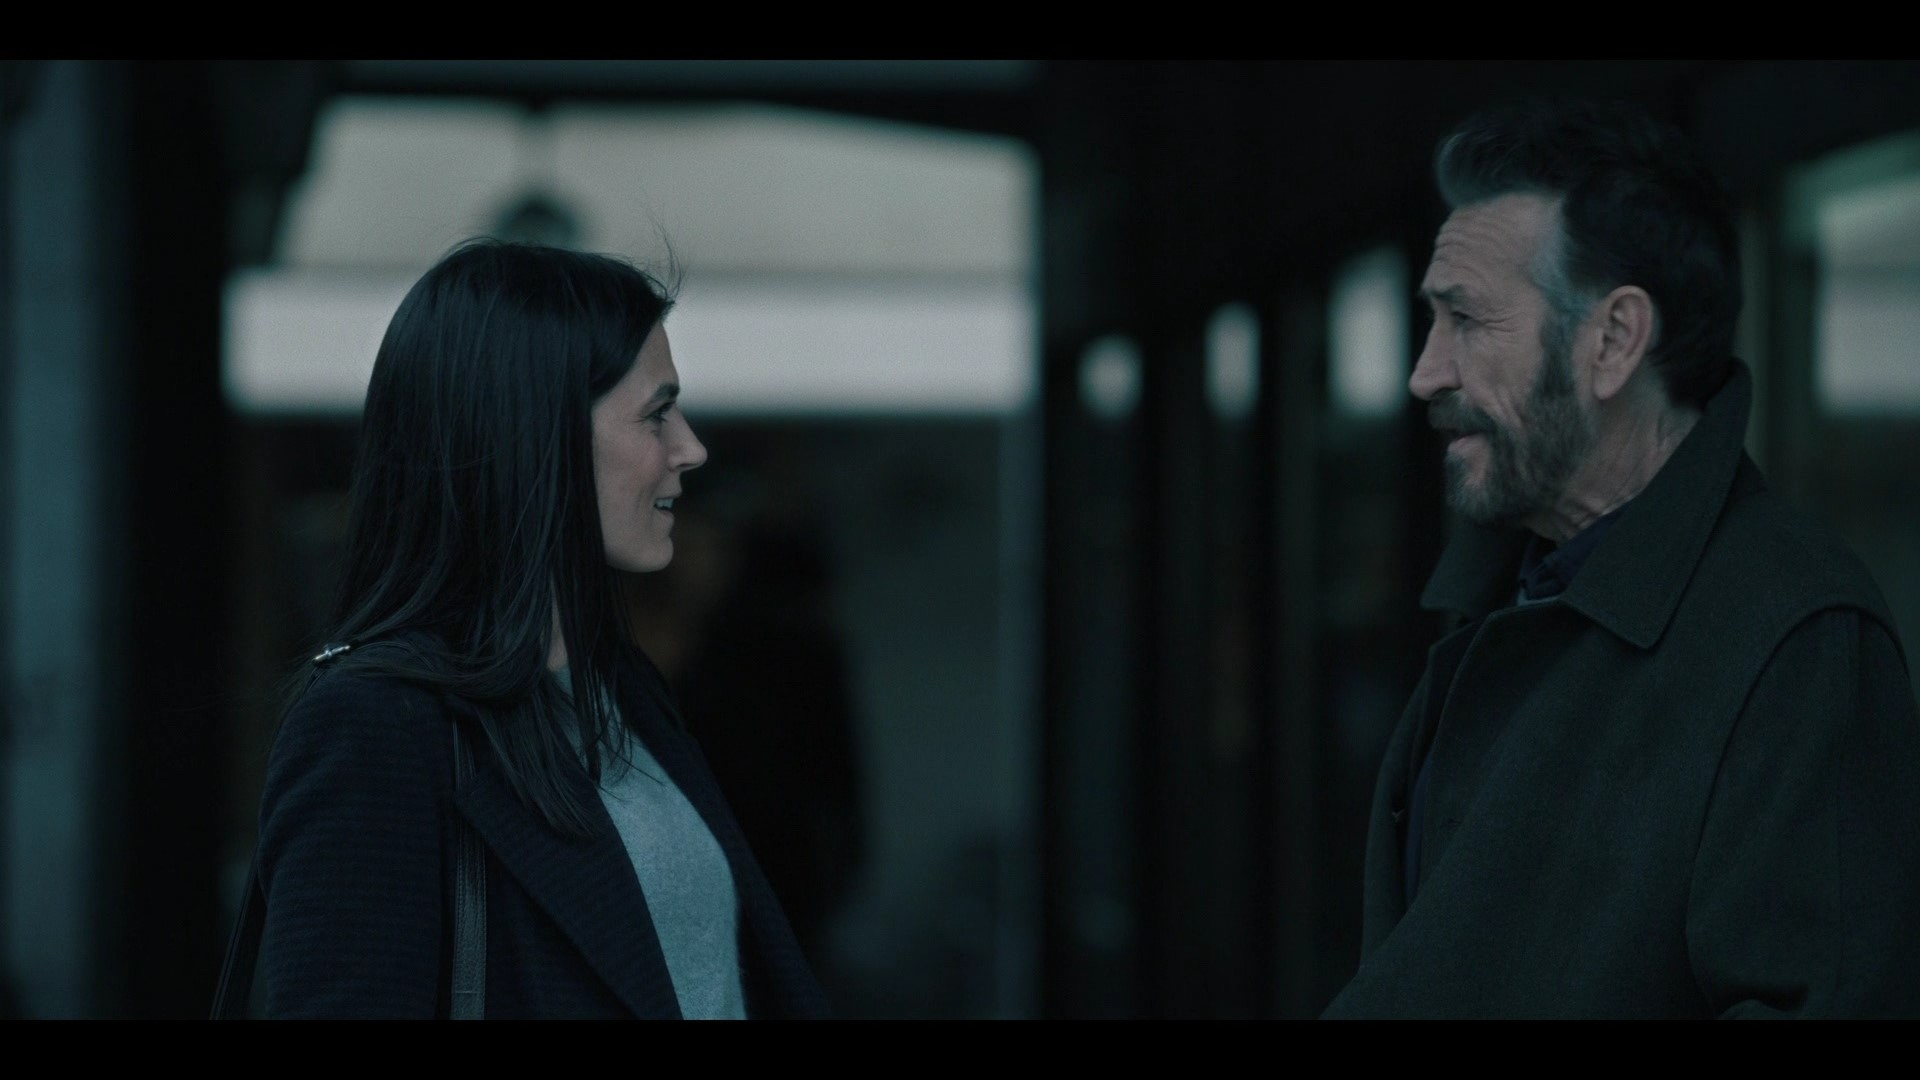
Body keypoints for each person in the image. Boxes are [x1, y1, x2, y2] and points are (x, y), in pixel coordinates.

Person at [1321, 99, 1920, 1018]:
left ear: (1612, 340)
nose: (1425, 372)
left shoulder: (1799, 641)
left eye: (1466, 320)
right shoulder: (1509, 588)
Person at [249, 238, 830, 1018]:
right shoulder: (374, 726)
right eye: (656, 413)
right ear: (536, 432)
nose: (690, 449)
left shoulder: (623, 692)